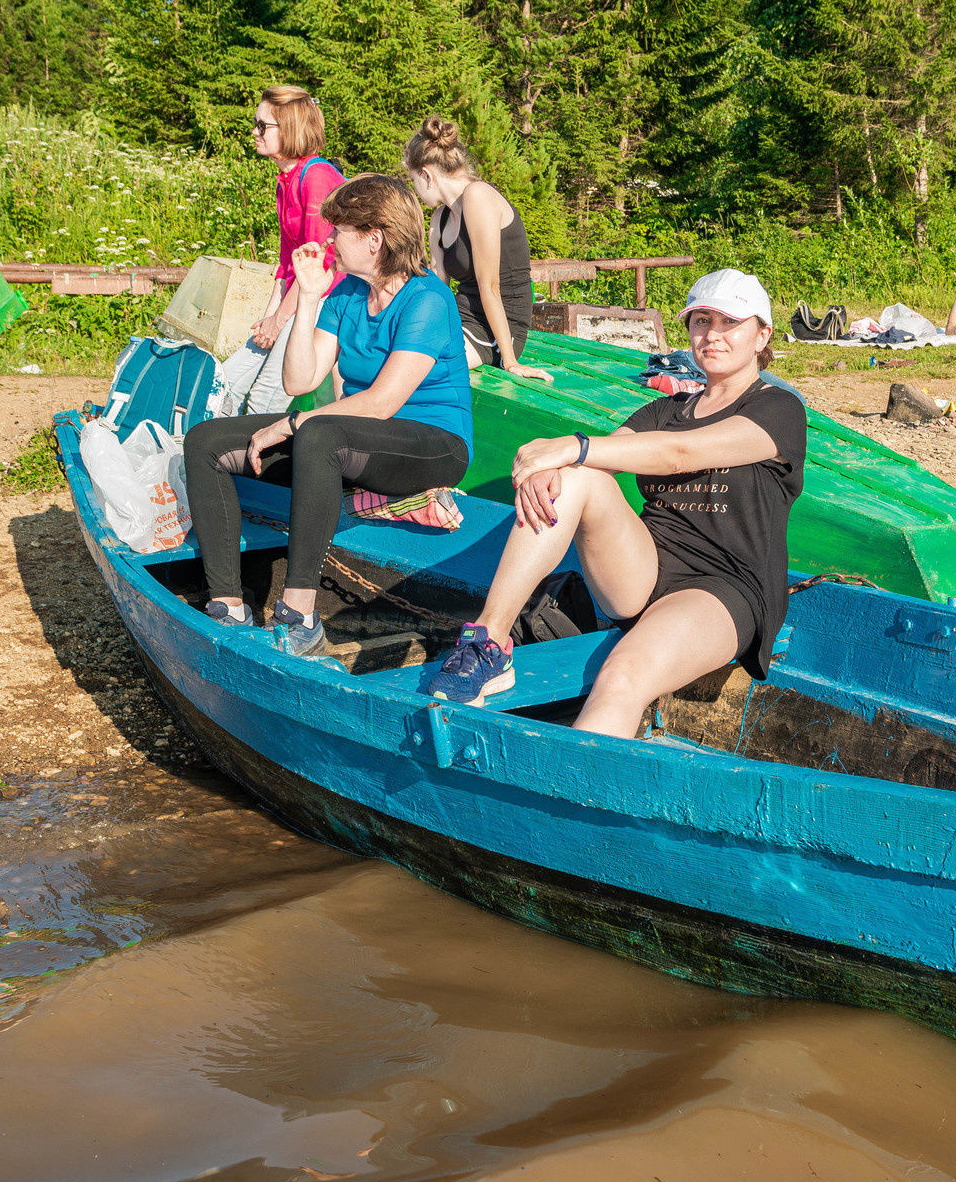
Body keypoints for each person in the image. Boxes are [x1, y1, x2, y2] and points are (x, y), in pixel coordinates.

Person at [424, 268, 807, 739]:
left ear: (761, 334)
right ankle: (489, 641)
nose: (712, 335)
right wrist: (549, 471)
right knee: (574, 477)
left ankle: (572, 799)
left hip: (723, 586)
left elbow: (679, 453)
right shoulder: (663, 411)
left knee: (622, 677)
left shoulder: (778, 409)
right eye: (701, 320)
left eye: (730, 323)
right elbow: (600, 462)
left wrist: (573, 445)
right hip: (641, 569)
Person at [180, 175, 472, 657]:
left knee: (317, 432)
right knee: (206, 440)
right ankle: (228, 605)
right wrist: (310, 298)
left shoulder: (427, 300)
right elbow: (300, 381)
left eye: (339, 230)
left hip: (433, 444)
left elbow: (381, 403)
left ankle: (299, 614)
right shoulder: (346, 295)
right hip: (350, 439)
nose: (328, 239)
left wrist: (291, 424)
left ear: (374, 238)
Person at [216, 85, 347, 415]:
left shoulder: (316, 177)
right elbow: (287, 263)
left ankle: (252, 463)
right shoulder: (285, 180)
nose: (254, 132)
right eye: (255, 123)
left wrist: (279, 321)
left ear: (289, 129)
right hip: (296, 297)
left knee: (264, 397)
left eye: (263, 125)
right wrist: (269, 319)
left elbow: (316, 267)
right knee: (224, 383)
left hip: (323, 299)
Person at [403, 116, 553, 381]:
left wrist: (510, 361)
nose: (415, 191)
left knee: (418, 371)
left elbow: (490, 285)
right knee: (391, 348)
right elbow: (437, 289)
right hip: (462, 316)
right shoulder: (440, 218)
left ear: (426, 174)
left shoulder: (478, 196)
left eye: (413, 180)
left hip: (499, 326)